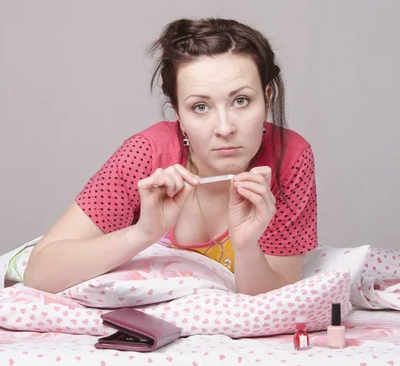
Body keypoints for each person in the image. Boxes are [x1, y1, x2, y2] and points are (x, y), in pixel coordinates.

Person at [23, 18, 318, 296]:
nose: (225, 128)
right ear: (178, 113)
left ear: (267, 99)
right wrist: (142, 233)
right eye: (200, 107)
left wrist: (246, 247)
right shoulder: (144, 155)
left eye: (241, 101)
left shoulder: (289, 159)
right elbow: (39, 274)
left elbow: (275, 300)